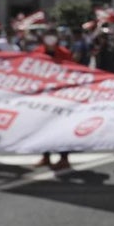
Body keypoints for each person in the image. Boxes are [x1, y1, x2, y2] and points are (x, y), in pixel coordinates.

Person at [34, 31, 75, 172]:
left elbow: (72, 72)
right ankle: (46, 156)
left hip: (60, 96)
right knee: (42, 127)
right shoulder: (37, 52)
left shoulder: (65, 53)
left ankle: (64, 158)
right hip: (43, 96)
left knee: (61, 128)